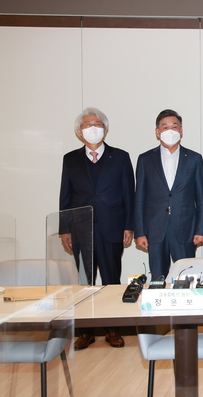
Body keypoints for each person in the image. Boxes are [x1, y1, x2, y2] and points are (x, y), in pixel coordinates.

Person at [59, 107, 134, 350]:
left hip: (112, 227)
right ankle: (86, 331)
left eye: (97, 124)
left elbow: (129, 194)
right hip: (81, 229)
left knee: (111, 280)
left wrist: (129, 226)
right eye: (87, 125)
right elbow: (65, 196)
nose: (92, 128)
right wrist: (64, 229)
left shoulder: (120, 157)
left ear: (105, 129)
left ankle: (113, 329)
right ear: (79, 132)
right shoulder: (70, 159)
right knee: (85, 282)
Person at [134, 109, 203, 280]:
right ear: (157, 131)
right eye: (165, 127)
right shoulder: (145, 159)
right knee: (157, 279)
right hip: (155, 229)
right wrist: (140, 232)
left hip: (185, 229)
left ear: (181, 130)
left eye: (174, 127)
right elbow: (139, 199)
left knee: (187, 278)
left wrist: (201, 229)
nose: (170, 130)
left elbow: (201, 198)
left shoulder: (194, 158)